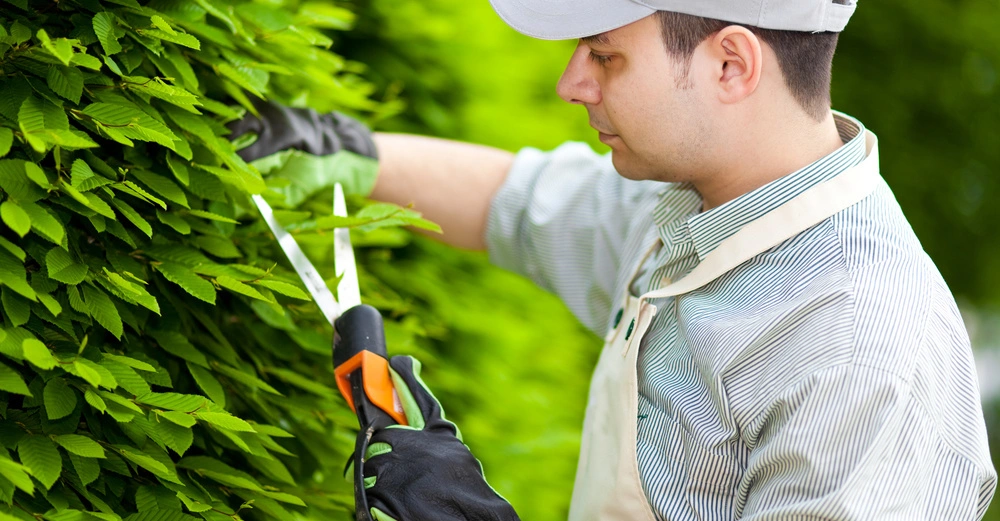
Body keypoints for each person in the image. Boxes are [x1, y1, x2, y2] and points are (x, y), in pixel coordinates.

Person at [229, 0, 998, 519]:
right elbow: (523, 201)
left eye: (605, 55)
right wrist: (350, 156)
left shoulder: (863, 353)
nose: (571, 82)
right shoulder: (702, 207)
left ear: (731, 65)